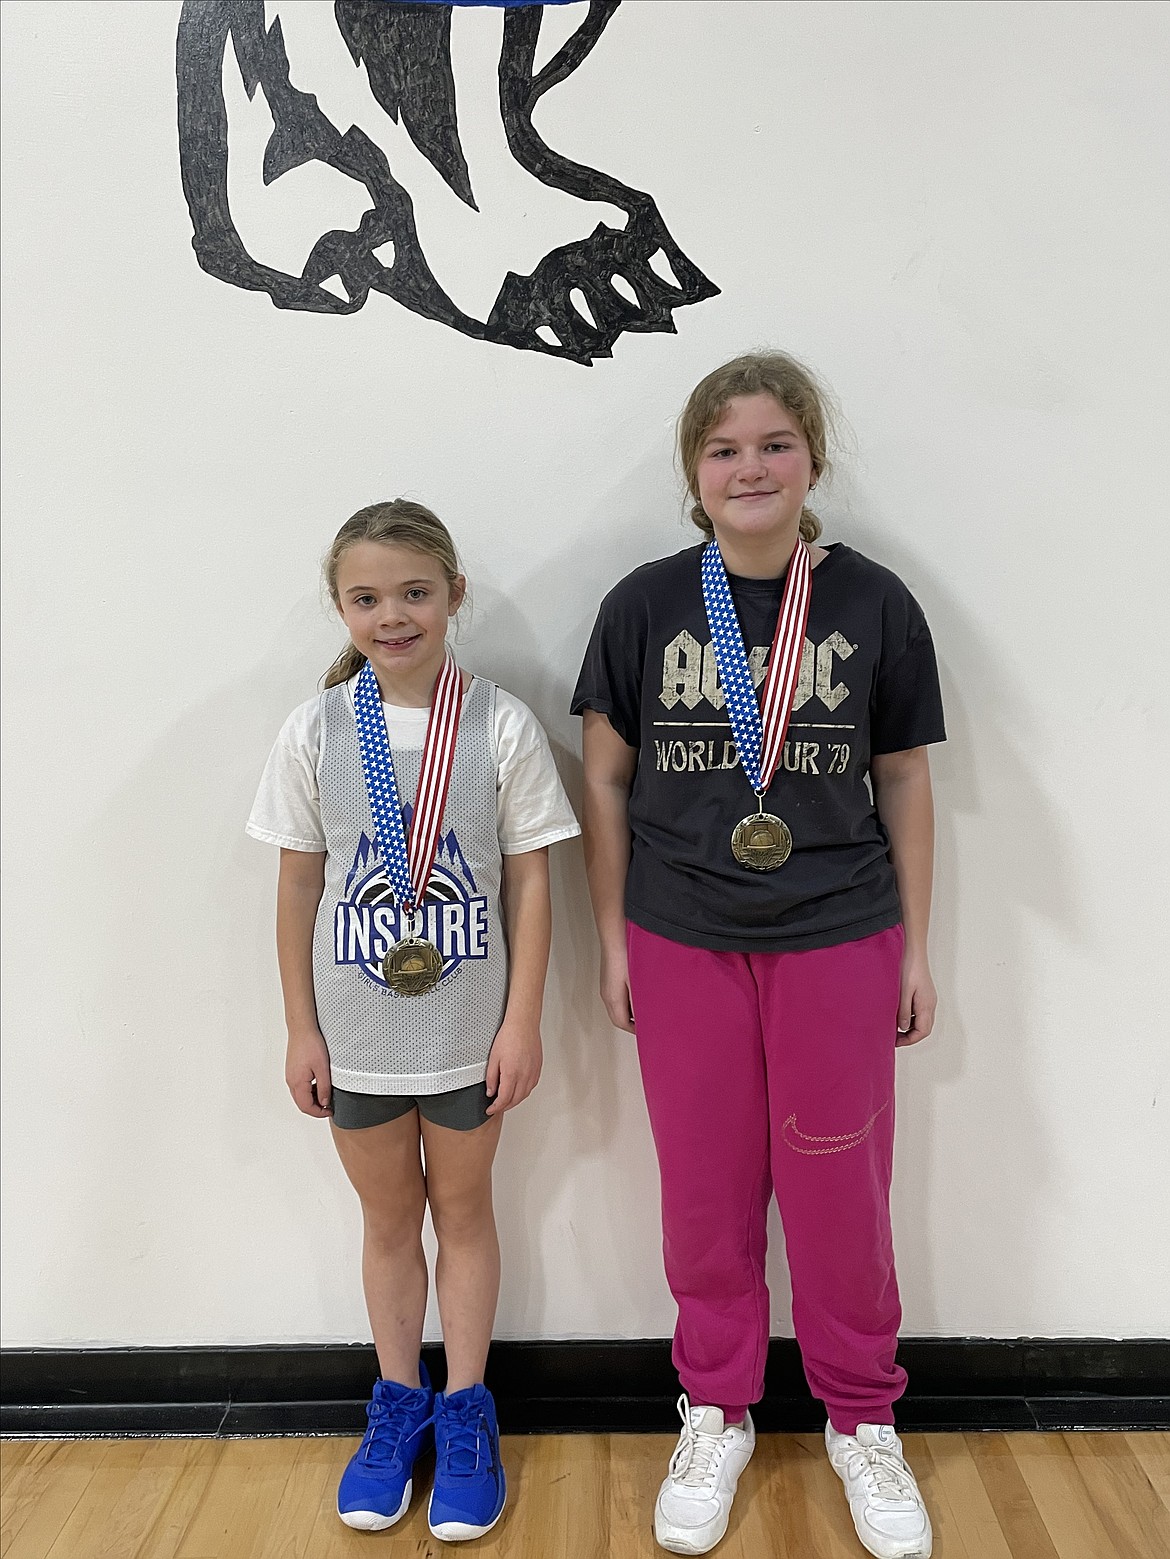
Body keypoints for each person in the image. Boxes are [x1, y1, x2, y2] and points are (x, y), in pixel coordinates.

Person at [573, 352, 945, 1559]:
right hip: (681, 934)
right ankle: (718, 1404)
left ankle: (861, 1416)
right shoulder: (642, 603)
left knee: (842, 1185)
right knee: (706, 1183)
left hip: (841, 926)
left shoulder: (874, 601)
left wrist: (917, 947)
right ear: (695, 471)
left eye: (775, 442)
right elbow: (607, 777)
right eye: (725, 447)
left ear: (811, 462)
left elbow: (903, 776)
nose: (750, 465)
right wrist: (616, 936)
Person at [247, 500, 579, 1541]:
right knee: (390, 1222)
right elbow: (299, 887)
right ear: (341, 607)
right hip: (357, 1032)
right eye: (366, 596)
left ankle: (468, 1411)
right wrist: (302, 1027)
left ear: (454, 594)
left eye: (414, 592)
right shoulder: (315, 727)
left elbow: (532, 883)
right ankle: (397, 1409)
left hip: (470, 1030)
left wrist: (521, 1019)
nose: (392, 615)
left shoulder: (502, 721)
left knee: (466, 1215)